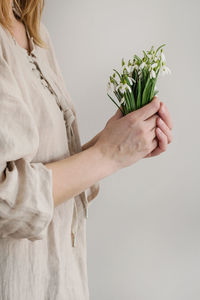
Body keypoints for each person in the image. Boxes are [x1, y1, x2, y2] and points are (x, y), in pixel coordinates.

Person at [0, 0, 173, 299]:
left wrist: (119, 142)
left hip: (59, 283)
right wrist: (108, 154)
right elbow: (5, 197)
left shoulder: (36, 34)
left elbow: (45, 171)